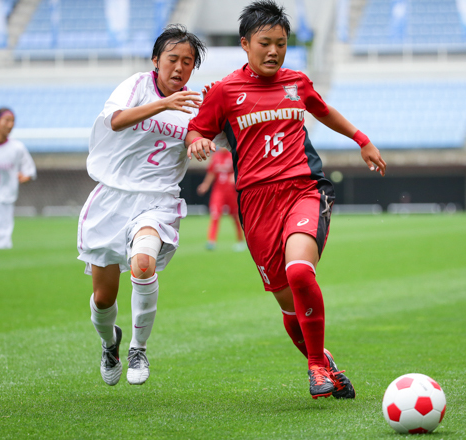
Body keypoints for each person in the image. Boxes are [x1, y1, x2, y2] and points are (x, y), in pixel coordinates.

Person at [185, 0, 386, 399]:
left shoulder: (297, 82)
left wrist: (361, 139)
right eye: (265, 43)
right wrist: (199, 141)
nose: (274, 51)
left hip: (303, 190)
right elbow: (196, 129)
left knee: (299, 273)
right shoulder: (224, 91)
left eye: (281, 43)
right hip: (256, 204)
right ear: (245, 44)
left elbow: (322, 109)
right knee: (287, 304)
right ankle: (325, 363)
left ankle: (314, 368)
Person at [77, 25, 206, 386]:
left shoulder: (195, 105)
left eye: (188, 62)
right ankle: (110, 343)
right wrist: (164, 104)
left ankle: (138, 348)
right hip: (112, 198)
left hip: (158, 199)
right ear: (156, 60)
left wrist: (201, 138)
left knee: (143, 263)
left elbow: (210, 133)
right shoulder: (136, 86)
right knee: (103, 299)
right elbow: (116, 121)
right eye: (173, 59)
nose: (180, 68)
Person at [0, 108, 36, 298]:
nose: (10, 124)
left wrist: (24, 176)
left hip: (3, 205)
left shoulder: (17, 148)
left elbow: (30, 171)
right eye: (6, 120)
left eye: (13, 121)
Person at [196, 147, 246, 251]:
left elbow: (241, 170)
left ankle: (241, 241)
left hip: (231, 192)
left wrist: (235, 176)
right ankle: (211, 241)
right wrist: (205, 185)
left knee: (235, 216)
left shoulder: (233, 156)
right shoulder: (216, 157)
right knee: (215, 214)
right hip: (218, 191)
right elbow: (211, 173)